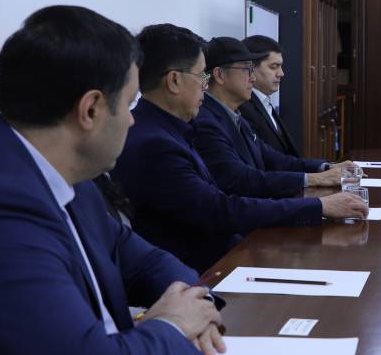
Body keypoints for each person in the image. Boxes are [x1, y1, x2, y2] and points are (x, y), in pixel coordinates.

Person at [0, 6, 225, 355]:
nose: (133, 119)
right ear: (90, 109)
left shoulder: (63, 170)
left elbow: (144, 260)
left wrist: (193, 307)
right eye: (129, 104)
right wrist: (172, 326)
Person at [113, 25, 366, 272]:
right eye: (201, 76)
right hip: (204, 271)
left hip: (227, 253)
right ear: (174, 81)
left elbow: (264, 165)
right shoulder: (155, 143)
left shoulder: (172, 127)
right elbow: (220, 209)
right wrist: (319, 206)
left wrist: (321, 180)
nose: (205, 85)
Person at [193, 37, 354, 199]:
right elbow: (240, 179)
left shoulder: (235, 115)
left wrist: (326, 168)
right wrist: (315, 180)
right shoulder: (206, 122)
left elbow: (275, 160)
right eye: (247, 70)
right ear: (219, 75)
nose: (253, 78)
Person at [238, 35, 302, 156]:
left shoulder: (264, 101)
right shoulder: (242, 108)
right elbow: (263, 158)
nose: (281, 73)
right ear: (250, 68)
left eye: (280, 66)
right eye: (274, 67)